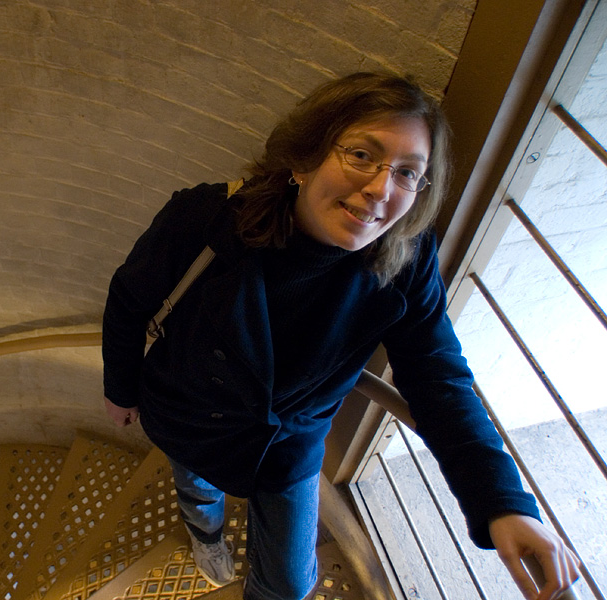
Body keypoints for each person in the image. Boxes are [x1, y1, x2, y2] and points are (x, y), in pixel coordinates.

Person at [101, 72, 580, 600]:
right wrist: (121, 388)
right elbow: (129, 300)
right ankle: (206, 534)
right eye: (361, 155)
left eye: (407, 173)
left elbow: (437, 375)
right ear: (303, 159)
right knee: (196, 488)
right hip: (191, 415)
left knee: (287, 584)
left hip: (288, 447)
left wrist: (502, 502)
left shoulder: (406, 261)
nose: (381, 188)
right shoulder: (206, 218)